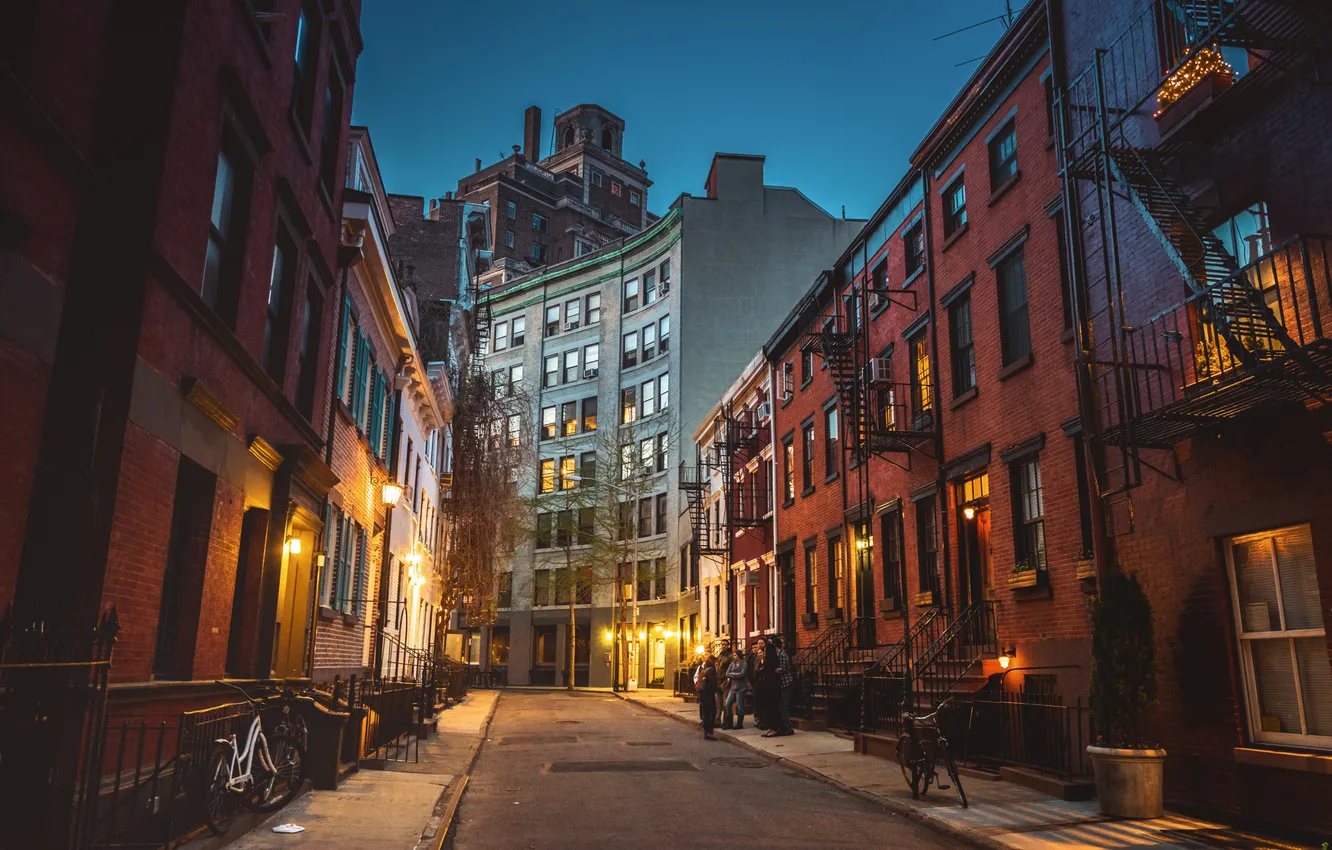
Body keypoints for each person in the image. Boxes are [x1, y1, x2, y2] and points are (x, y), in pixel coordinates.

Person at [764, 636, 795, 737]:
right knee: (781, 707)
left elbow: (784, 668)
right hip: (781, 684)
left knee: (783, 708)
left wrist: (774, 670)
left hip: (786, 683)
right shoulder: (778, 655)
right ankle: (784, 727)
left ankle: (788, 728)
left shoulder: (782, 655)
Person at [721, 647, 748, 729]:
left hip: (741, 687)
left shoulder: (744, 664)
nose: (734, 657)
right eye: (733, 655)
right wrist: (735, 674)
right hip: (733, 687)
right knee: (728, 704)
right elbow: (727, 673)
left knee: (739, 706)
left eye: (735, 655)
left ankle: (740, 724)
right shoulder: (732, 664)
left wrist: (732, 674)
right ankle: (730, 723)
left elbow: (742, 674)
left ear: (739, 655)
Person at [696, 655, 719, 740]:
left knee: (706, 713)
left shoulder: (704, 669)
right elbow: (713, 683)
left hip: (703, 693)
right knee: (711, 713)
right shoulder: (711, 670)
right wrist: (718, 690)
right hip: (709, 694)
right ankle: (709, 732)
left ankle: (706, 732)